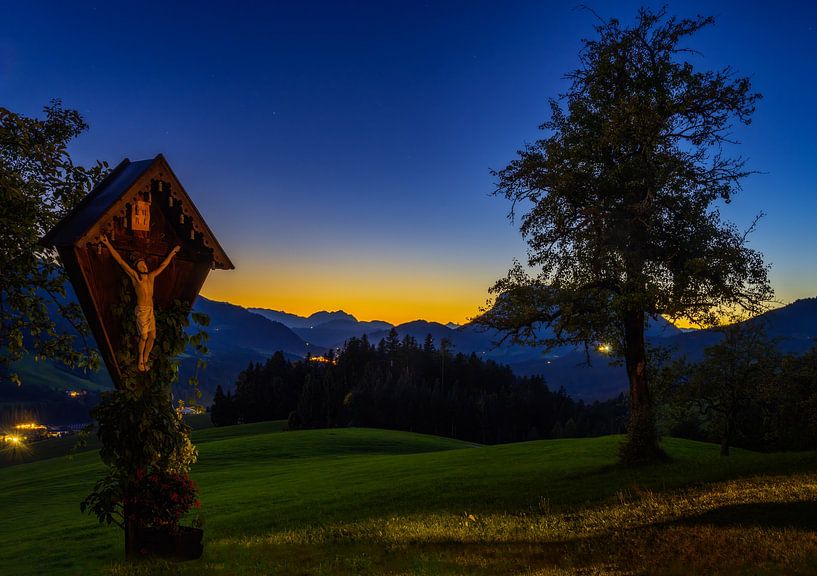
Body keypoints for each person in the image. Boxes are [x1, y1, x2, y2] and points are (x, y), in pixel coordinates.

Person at [100, 235, 180, 372]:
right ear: (137, 267)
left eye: (144, 264)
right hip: (142, 309)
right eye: (140, 265)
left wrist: (172, 252)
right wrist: (107, 244)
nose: (143, 266)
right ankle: (140, 360)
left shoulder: (151, 276)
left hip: (150, 309)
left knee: (153, 336)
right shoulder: (135, 277)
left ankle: (146, 358)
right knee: (143, 336)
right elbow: (120, 261)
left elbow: (163, 265)